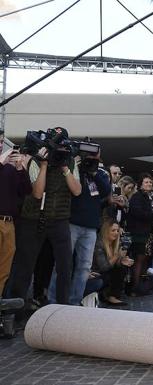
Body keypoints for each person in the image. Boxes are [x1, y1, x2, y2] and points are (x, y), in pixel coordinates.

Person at [6, 127, 81, 322]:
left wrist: (65, 168)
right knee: (24, 266)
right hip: (33, 219)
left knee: (65, 265)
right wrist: (45, 165)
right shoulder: (35, 159)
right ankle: (14, 313)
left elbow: (77, 191)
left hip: (60, 219)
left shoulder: (70, 162)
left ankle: (63, 310)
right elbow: (37, 193)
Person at [48, 149, 111, 306]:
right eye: (88, 156)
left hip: (90, 228)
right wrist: (79, 165)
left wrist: (94, 171)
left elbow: (106, 191)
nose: (90, 159)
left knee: (84, 267)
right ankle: (53, 301)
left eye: (94, 156)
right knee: (62, 264)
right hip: (72, 223)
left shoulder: (100, 173)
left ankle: (74, 302)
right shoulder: (75, 168)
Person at [0, 131, 31, 311]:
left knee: (5, 268)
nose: (1, 145)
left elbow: (26, 191)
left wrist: (21, 169)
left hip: (9, 223)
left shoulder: (10, 168)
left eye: (2, 142)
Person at [126, 173, 153, 296]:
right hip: (139, 233)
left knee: (144, 260)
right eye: (146, 182)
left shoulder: (148, 197)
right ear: (140, 184)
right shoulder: (137, 196)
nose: (149, 184)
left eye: (150, 182)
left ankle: (140, 287)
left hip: (147, 233)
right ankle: (134, 288)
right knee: (139, 260)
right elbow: (138, 213)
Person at [89, 219, 134, 305]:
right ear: (106, 231)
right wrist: (117, 255)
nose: (116, 233)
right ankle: (108, 295)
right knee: (117, 270)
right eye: (113, 230)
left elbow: (114, 264)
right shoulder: (99, 244)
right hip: (96, 273)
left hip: (107, 271)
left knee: (122, 267)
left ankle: (112, 296)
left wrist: (122, 260)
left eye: (117, 230)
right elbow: (103, 267)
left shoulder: (116, 243)